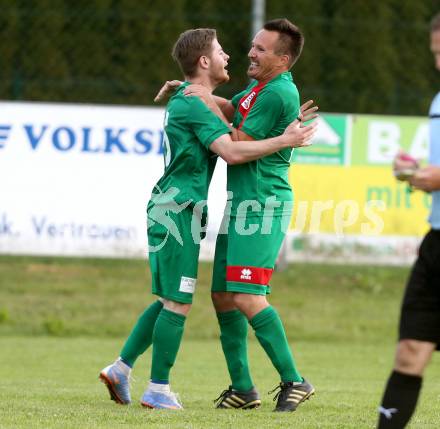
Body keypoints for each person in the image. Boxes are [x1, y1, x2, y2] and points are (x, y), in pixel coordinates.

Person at [99, 28, 317, 410]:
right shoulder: (248, 92)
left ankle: (293, 381)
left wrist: (196, 93)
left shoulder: (277, 91)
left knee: (217, 297)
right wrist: (192, 90)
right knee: (191, 299)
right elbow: (230, 134)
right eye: (223, 50)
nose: (242, 53)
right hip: (186, 208)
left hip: (255, 205)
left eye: (259, 48)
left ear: (282, 59)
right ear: (203, 61)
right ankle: (213, 387)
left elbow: (233, 136)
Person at [377, 13, 440, 428]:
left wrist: (424, 176)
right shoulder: (438, 100)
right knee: (411, 350)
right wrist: (418, 173)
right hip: (437, 243)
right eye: (436, 52)